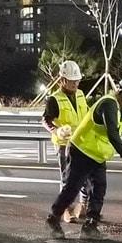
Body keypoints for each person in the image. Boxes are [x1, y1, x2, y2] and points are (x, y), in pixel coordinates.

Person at [47, 75, 122, 237]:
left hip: (97, 154)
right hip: (81, 150)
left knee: (99, 189)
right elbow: (113, 134)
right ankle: (53, 219)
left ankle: (90, 225)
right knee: (72, 188)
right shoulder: (109, 104)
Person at [42, 60, 91, 218]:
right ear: (62, 80)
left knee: (86, 177)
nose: (75, 84)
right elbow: (46, 120)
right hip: (64, 145)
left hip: (82, 143)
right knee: (67, 178)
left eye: (77, 81)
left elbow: (87, 115)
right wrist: (56, 131)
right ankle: (66, 209)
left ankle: (83, 206)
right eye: (71, 81)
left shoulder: (81, 95)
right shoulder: (54, 99)